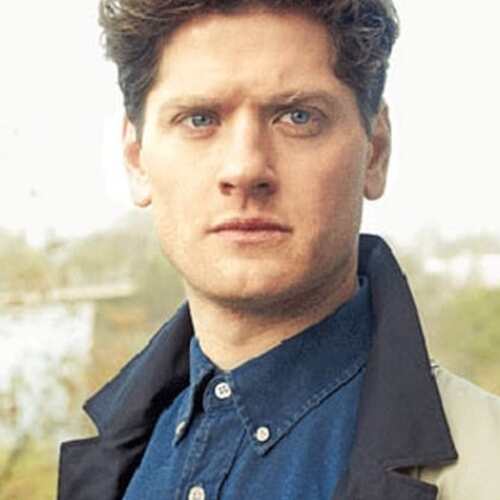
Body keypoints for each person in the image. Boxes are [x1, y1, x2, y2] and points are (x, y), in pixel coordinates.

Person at [58, 1, 500, 499]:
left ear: (375, 151)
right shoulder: (110, 465)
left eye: (297, 117)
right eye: (199, 119)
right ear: (136, 158)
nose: (245, 169)